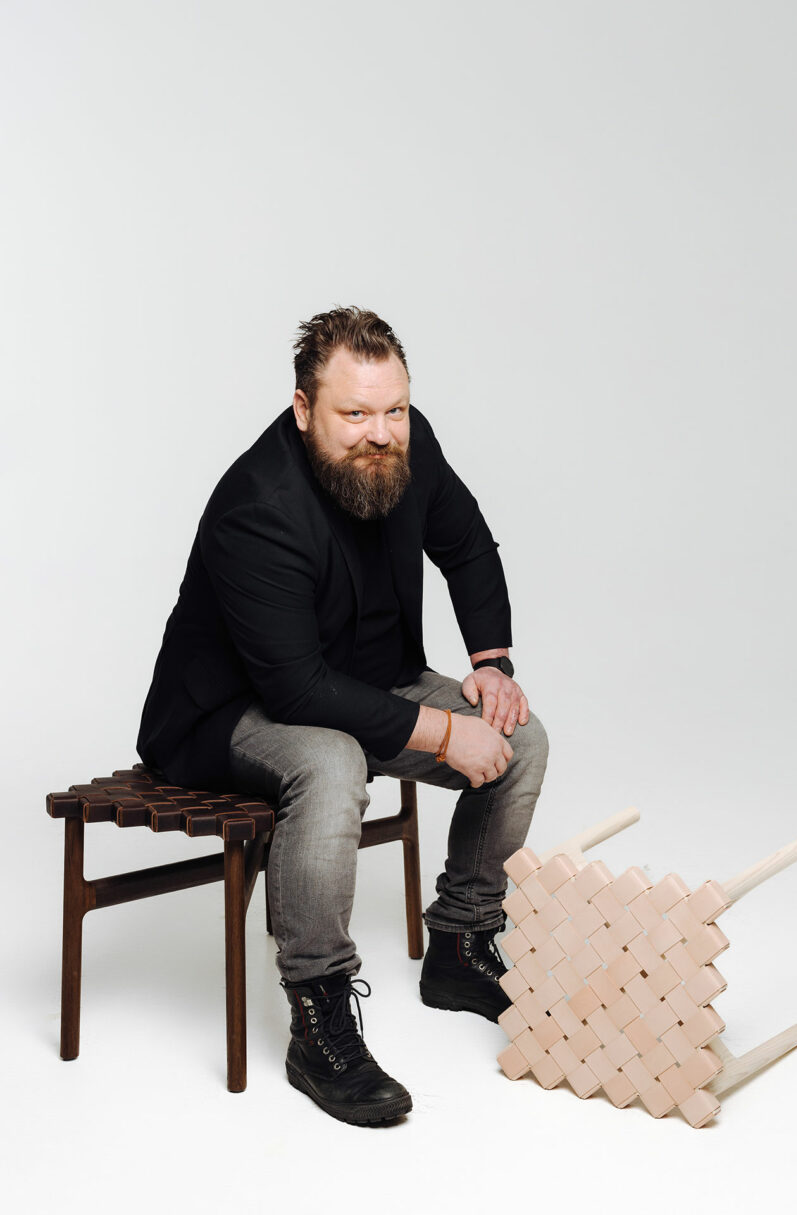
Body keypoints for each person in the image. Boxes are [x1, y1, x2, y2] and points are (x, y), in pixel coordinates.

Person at [137, 306, 549, 1125]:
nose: (379, 432)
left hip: (363, 682)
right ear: (303, 409)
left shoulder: (408, 440)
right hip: (231, 712)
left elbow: (466, 544)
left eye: (392, 409)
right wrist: (439, 731)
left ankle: (462, 944)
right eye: (354, 413)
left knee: (522, 739)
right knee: (331, 760)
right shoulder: (259, 502)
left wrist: (491, 665)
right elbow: (294, 690)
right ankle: (318, 1016)